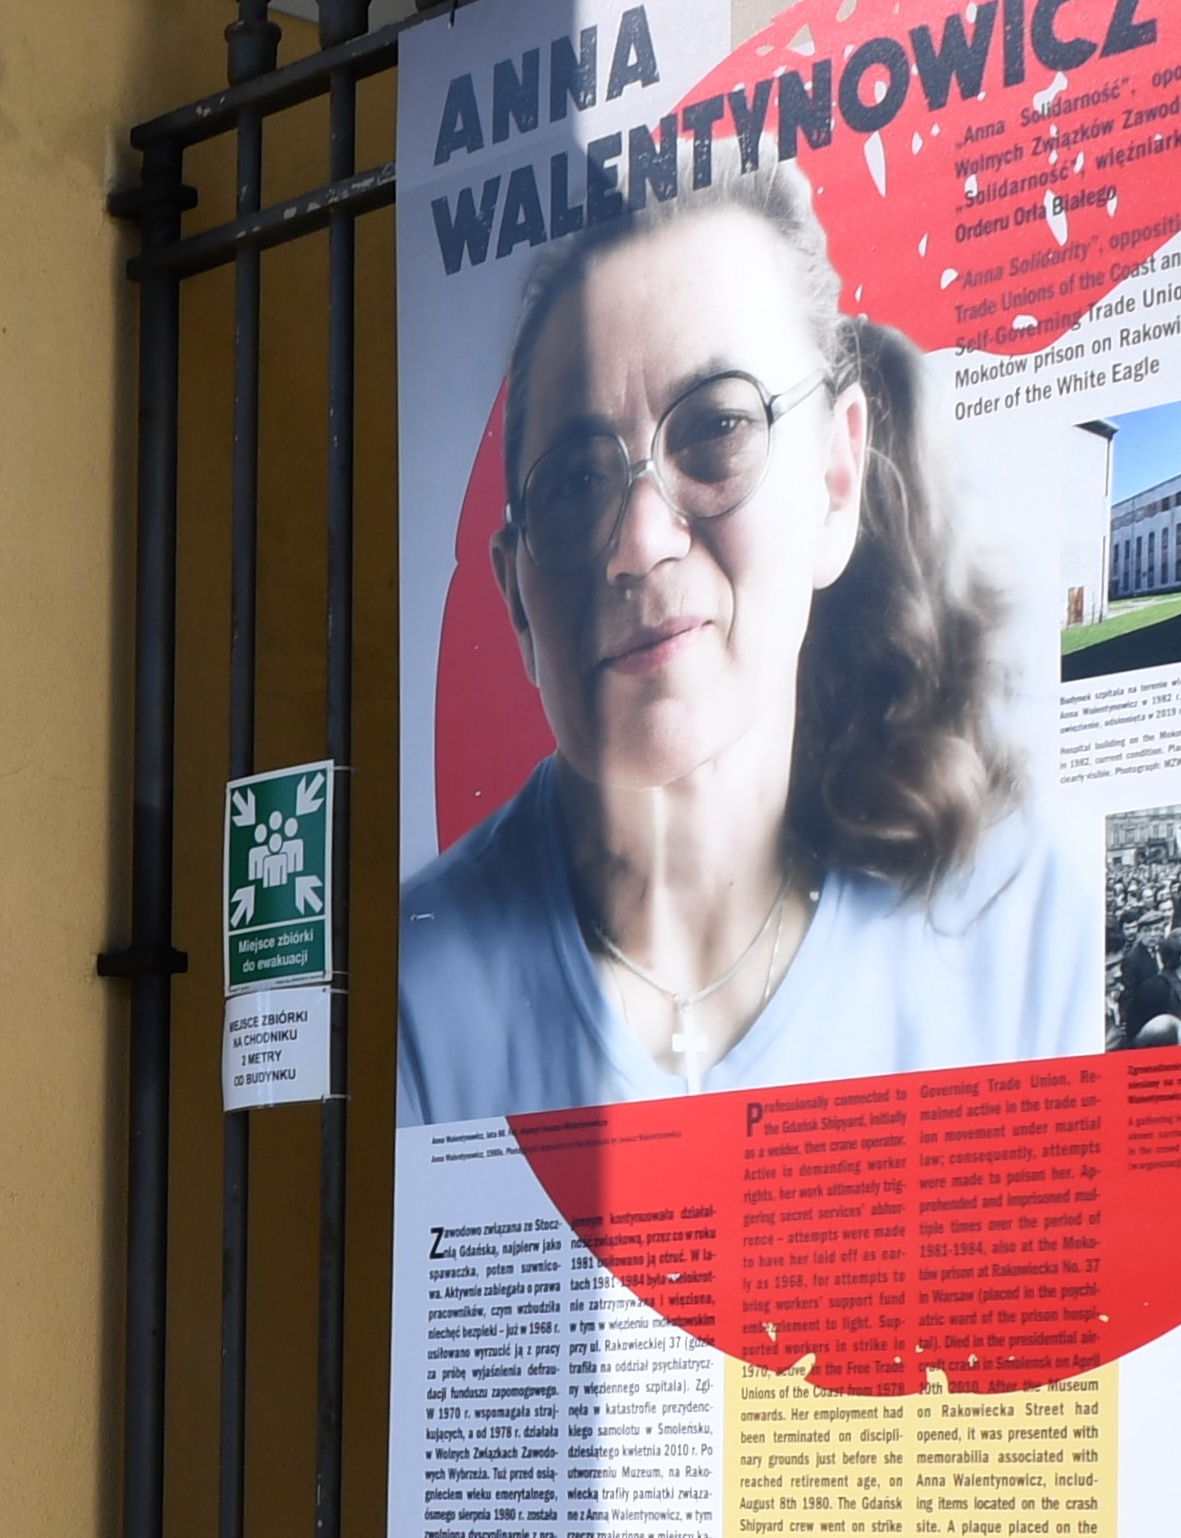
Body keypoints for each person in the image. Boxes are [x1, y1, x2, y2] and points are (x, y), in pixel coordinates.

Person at [400, 163, 1099, 1124]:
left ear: (837, 483)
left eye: (717, 430)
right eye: (576, 483)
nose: (641, 544)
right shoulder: (415, 1002)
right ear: (518, 602)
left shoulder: (1020, 928)